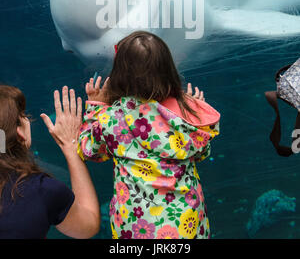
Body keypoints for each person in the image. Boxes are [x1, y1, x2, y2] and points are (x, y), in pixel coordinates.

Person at [78, 30, 220, 239]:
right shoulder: (183, 114)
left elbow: (89, 151)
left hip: (136, 228)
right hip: (187, 226)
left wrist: (96, 107)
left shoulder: (113, 119)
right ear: (168, 68)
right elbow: (202, 152)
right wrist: (194, 110)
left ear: (119, 73)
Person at [0, 84, 100, 239]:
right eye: (24, 116)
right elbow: (88, 225)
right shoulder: (41, 190)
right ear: (19, 133)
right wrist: (71, 147)